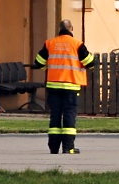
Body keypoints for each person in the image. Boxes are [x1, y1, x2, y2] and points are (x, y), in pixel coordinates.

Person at [33, 19, 95, 154]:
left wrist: (48, 69)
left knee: (55, 116)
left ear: (59, 29)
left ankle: (54, 148)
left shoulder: (50, 43)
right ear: (71, 29)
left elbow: (38, 62)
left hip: (53, 86)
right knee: (69, 116)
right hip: (71, 86)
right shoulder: (77, 44)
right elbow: (90, 63)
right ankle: (68, 147)